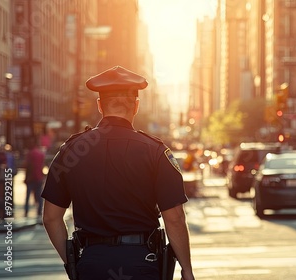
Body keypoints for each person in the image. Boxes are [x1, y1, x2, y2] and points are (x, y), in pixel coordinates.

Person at [41, 66, 195, 280]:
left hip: (91, 264)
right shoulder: (156, 151)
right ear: (136, 106)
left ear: (99, 106)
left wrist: (72, 262)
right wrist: (186, 270)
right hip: (142, 263)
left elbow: (50, 217)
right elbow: (175, 218)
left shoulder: (71, 150)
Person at [23, 139, 45, 218]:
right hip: (39, 177)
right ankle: (39, 211)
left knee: (28, 195)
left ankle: (26, 211)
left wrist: (26, 177)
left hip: (31, 177)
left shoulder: (29, 154)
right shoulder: (41, 154)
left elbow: (28, 166)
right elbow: (42, 165)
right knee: (39, 195)